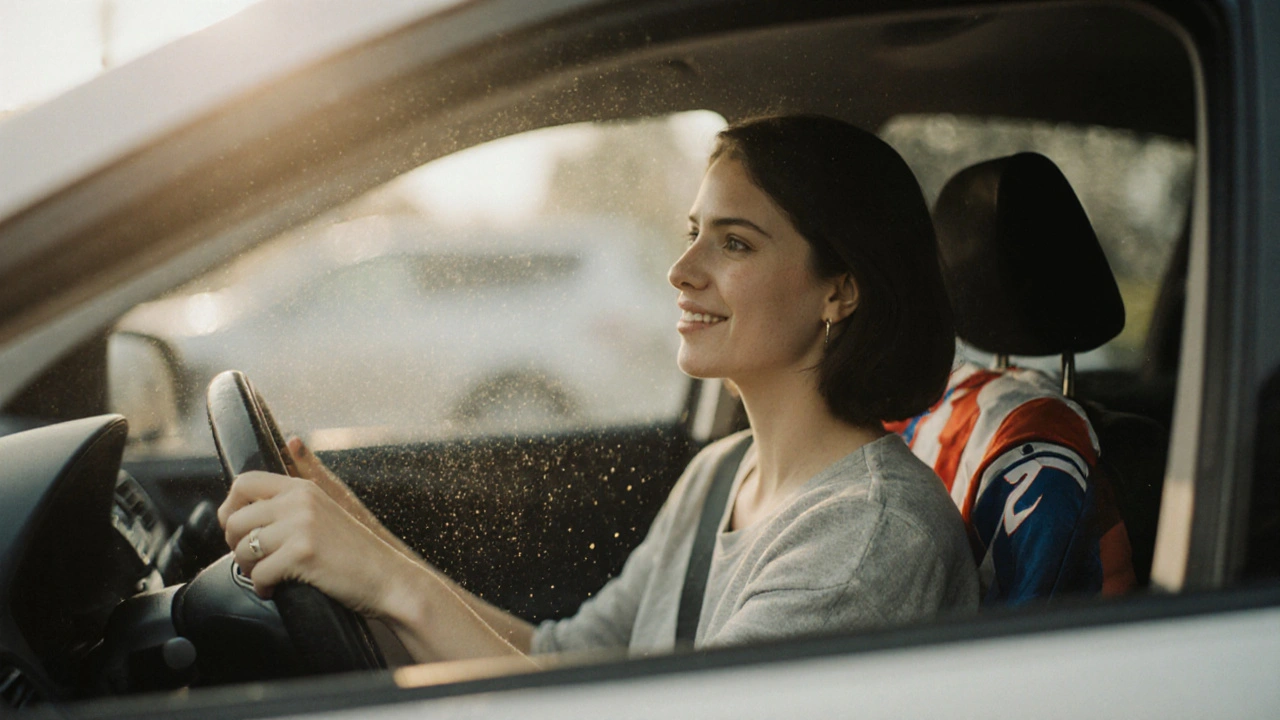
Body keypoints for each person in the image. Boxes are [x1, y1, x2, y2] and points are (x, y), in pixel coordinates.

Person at [217, 115, 979, 663]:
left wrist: (385, 580)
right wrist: (362, 541)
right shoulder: (721, 474)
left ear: (839, 291)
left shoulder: (868, 541)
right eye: (693, 231)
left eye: (735, 241)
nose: (682, 271)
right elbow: (561, 660)